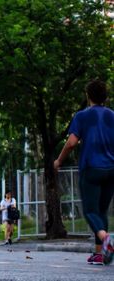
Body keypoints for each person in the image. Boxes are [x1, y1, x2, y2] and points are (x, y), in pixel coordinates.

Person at [54, 80, 114, 265]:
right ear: (106, 97)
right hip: (111, 169)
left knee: (89, 210)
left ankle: (105, 238)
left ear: (88, 96)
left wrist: (59, 160)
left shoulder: (82, 116)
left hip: (91, 168)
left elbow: (72, 142)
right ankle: (100, 253)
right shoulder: (112, 115)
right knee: (101, 211)